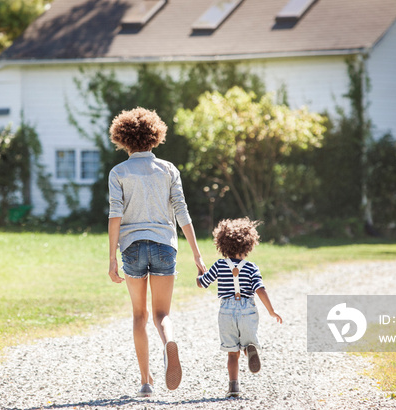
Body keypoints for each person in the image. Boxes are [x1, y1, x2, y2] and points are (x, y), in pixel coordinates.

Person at [107, 107, 207, 398]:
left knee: (139, 314)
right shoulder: (168, 169)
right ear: (155, 136)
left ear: (123, 138)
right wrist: (197, 255)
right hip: (164, 245)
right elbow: (182, 212)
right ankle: (169, 342)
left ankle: (146, 382)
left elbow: (115, 215)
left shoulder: (119, 172)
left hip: (132, 247)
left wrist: (112, 257)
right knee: (162, 314)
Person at [197, 217, 283, 398]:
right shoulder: (252, 268)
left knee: (231, 352)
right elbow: (260, 289)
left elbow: (203, 284)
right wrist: (271, 310)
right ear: (248, 244)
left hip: (227, 311)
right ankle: (248, 349)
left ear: (222, 244)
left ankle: (233, 386)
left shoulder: (219, 265)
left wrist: (200, 274)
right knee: (246, 341)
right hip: (247, 309)